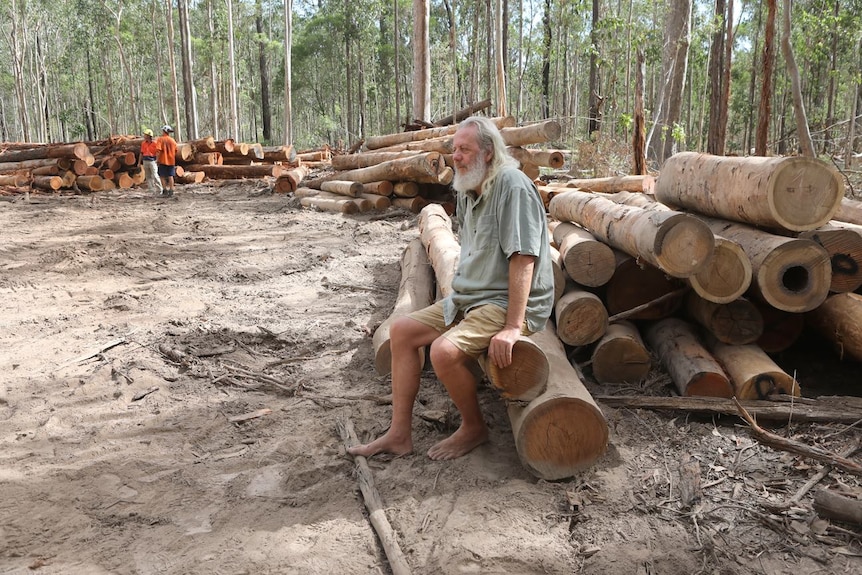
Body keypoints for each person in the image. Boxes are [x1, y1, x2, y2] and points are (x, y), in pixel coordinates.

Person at [349, 116, 555, 461]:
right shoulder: (467, 189)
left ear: (488, 153)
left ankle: (474, 428)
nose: (455, 157)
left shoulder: (512, 186)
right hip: (472, 298)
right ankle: (399, 434)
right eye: (454, 149)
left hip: (506, 303)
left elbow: (524, 259)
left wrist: (511, 328)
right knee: (401, 331)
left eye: (464, 149)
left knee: (443, 352)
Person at [138, 129, 163, 195]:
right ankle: (151, 190)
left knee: (155, 175)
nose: (144, 136)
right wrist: (139, 162)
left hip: (152, 161)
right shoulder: (143, 143)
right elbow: (141, 153)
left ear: (149, 136)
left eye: (145, 135)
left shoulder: (155, 143)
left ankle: (159, 190)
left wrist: (157, 160)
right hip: (145, 160)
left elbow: (158, 152)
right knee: (148, 176)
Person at [155, 124, 178, 197]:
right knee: (170, 175)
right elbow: (176, 150)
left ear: (164, 131)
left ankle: (165, 190)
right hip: (171, 161)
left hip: (162, 160)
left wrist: (157, 159)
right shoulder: (172, 140)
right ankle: (171, 190)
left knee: (162, 175)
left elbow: (158, 150)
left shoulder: (160, 139)